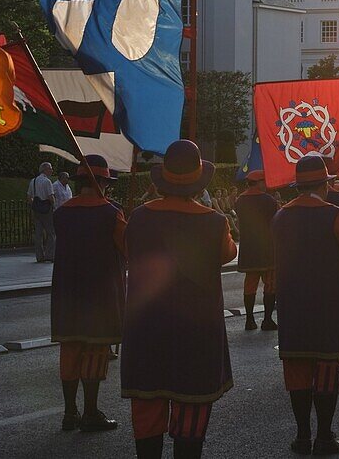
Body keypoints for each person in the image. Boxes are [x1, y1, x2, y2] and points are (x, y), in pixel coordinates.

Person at [121, 141, 236, 459]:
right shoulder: (214, 221)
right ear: (199, 182)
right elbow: (228, 253)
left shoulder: (139, 218)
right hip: (195, 335)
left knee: (147, 418)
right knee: (190, 418)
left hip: (146, 330)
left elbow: (128, 251)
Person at [273, 154, 339, 455]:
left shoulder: (280, 216)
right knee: (327, 371)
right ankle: (324, 436)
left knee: (298, 371)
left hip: (292, 306)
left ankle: (302, 436)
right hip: (329, 306)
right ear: (324, 185)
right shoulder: (335, 215)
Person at [51, 155, 125, 432]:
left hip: (67, 293)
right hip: (100, 293)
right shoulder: (111, 212)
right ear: (103, 182)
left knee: (69, 350)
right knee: (95, 351)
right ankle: (91, 412)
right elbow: (127, 248)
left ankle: (70, 412)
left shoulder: (62, 213)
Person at [235, 170, 279, 331]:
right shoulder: (269, 200)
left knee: (250, 284)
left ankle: (249, 320)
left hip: (248, 248)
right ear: (259, 182)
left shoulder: (240, 200)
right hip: (267, 247)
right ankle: (267, 320)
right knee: (270, 284)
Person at [28, 161, 57, 262]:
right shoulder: (47, 181)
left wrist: (34, 205)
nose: (52, 170)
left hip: (37, 210)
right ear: (45, 169)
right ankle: (50, 255)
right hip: (46, 210)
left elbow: (29, 196)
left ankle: (39, 256)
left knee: (38, 234)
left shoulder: (33, 181)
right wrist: (54, 206)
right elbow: (50, 197)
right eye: (50, 168)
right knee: (51, 233)